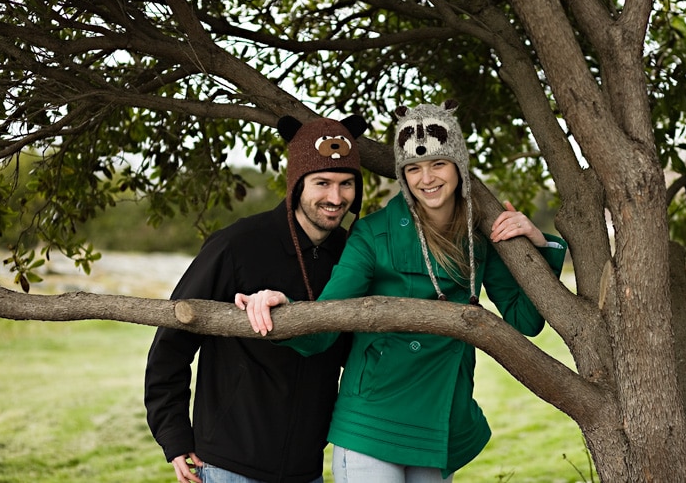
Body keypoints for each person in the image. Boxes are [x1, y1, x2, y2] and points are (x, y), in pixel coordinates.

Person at [236, 100, 568, 483]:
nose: (426, 179)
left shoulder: (481, 236)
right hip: (371, 420)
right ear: (403, 175)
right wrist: (284, 310)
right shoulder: (372, 234)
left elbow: (525, 319)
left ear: (459, 166)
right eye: (413, 168)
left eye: (438, 164)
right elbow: (326, 323)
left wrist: (539, 246)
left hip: (439, 418)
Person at [145, 114, 367, 483]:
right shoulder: (237, 245)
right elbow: (172, 343)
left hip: (306, 467)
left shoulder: (352, 257)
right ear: (297, 184)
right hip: (228, 464)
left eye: (346, 184)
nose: (336, 197)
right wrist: (173, 435)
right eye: (322, 182)